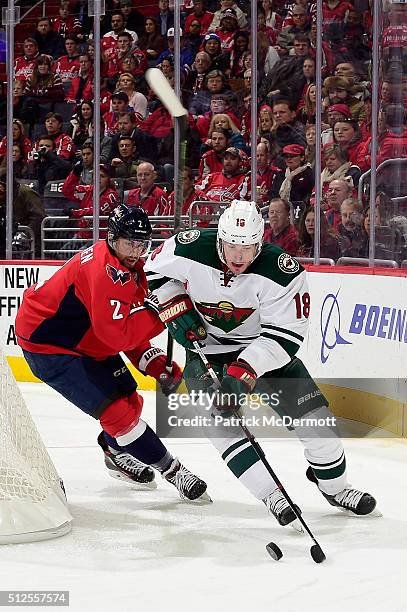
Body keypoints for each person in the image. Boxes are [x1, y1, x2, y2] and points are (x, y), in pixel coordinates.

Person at [144, 200, 376, 526]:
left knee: (318, 423)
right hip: (204, 354)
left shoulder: (282, 271)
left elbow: (285, 337)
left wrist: (244, 371)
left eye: (248, 247)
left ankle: (336, 489)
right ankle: (272, 495)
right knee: (222, 426)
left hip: (262, 353)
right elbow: (150, 271)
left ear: (261, 241)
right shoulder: (190, 246)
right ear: (219, 238)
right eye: (232, 246)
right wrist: (173, 304)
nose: (239, 256)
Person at [15, 204, 208, 502]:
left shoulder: (132, 267)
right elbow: (116, 335)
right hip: (49, 345)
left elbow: (125, 326)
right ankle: (174, 471)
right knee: (118, 415)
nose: (135, 250)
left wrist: (155, 363)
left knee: (130, 400)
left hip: (83, 335)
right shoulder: (106, 273)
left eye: (141, 243)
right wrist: (160, 316)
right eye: (129, 242)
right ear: (112, 238)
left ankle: (114, 451)